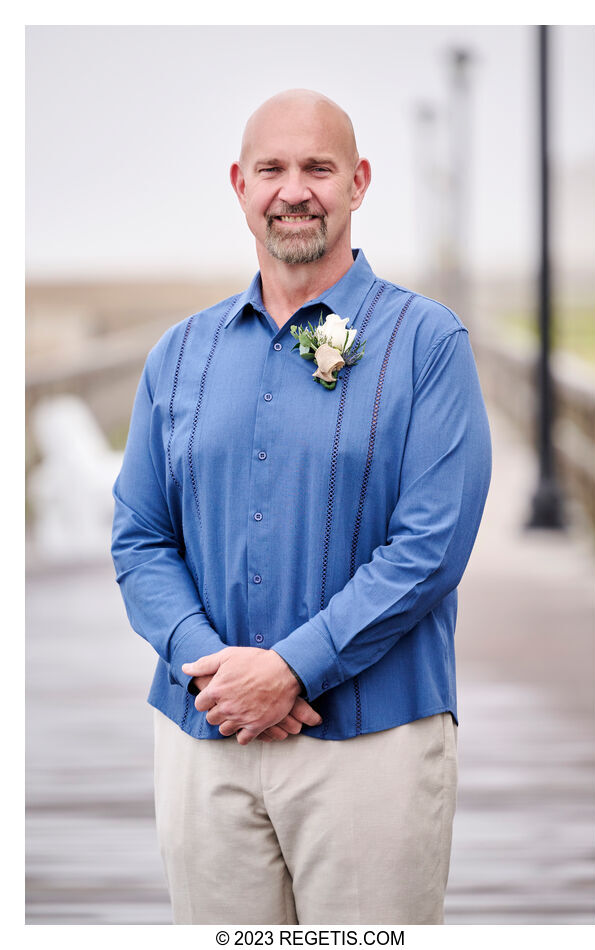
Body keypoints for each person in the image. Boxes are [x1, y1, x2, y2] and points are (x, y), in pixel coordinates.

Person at [111, 88, 491, 925]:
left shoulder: (428, 344)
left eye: (318, 168)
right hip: (202, 733)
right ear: (240, 185)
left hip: (374, 743)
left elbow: (429, 545)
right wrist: (208, 665)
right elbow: (139, 537)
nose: (295, 190)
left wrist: (288, 670)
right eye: (272, 170)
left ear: (357, 181)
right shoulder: (178, 356)